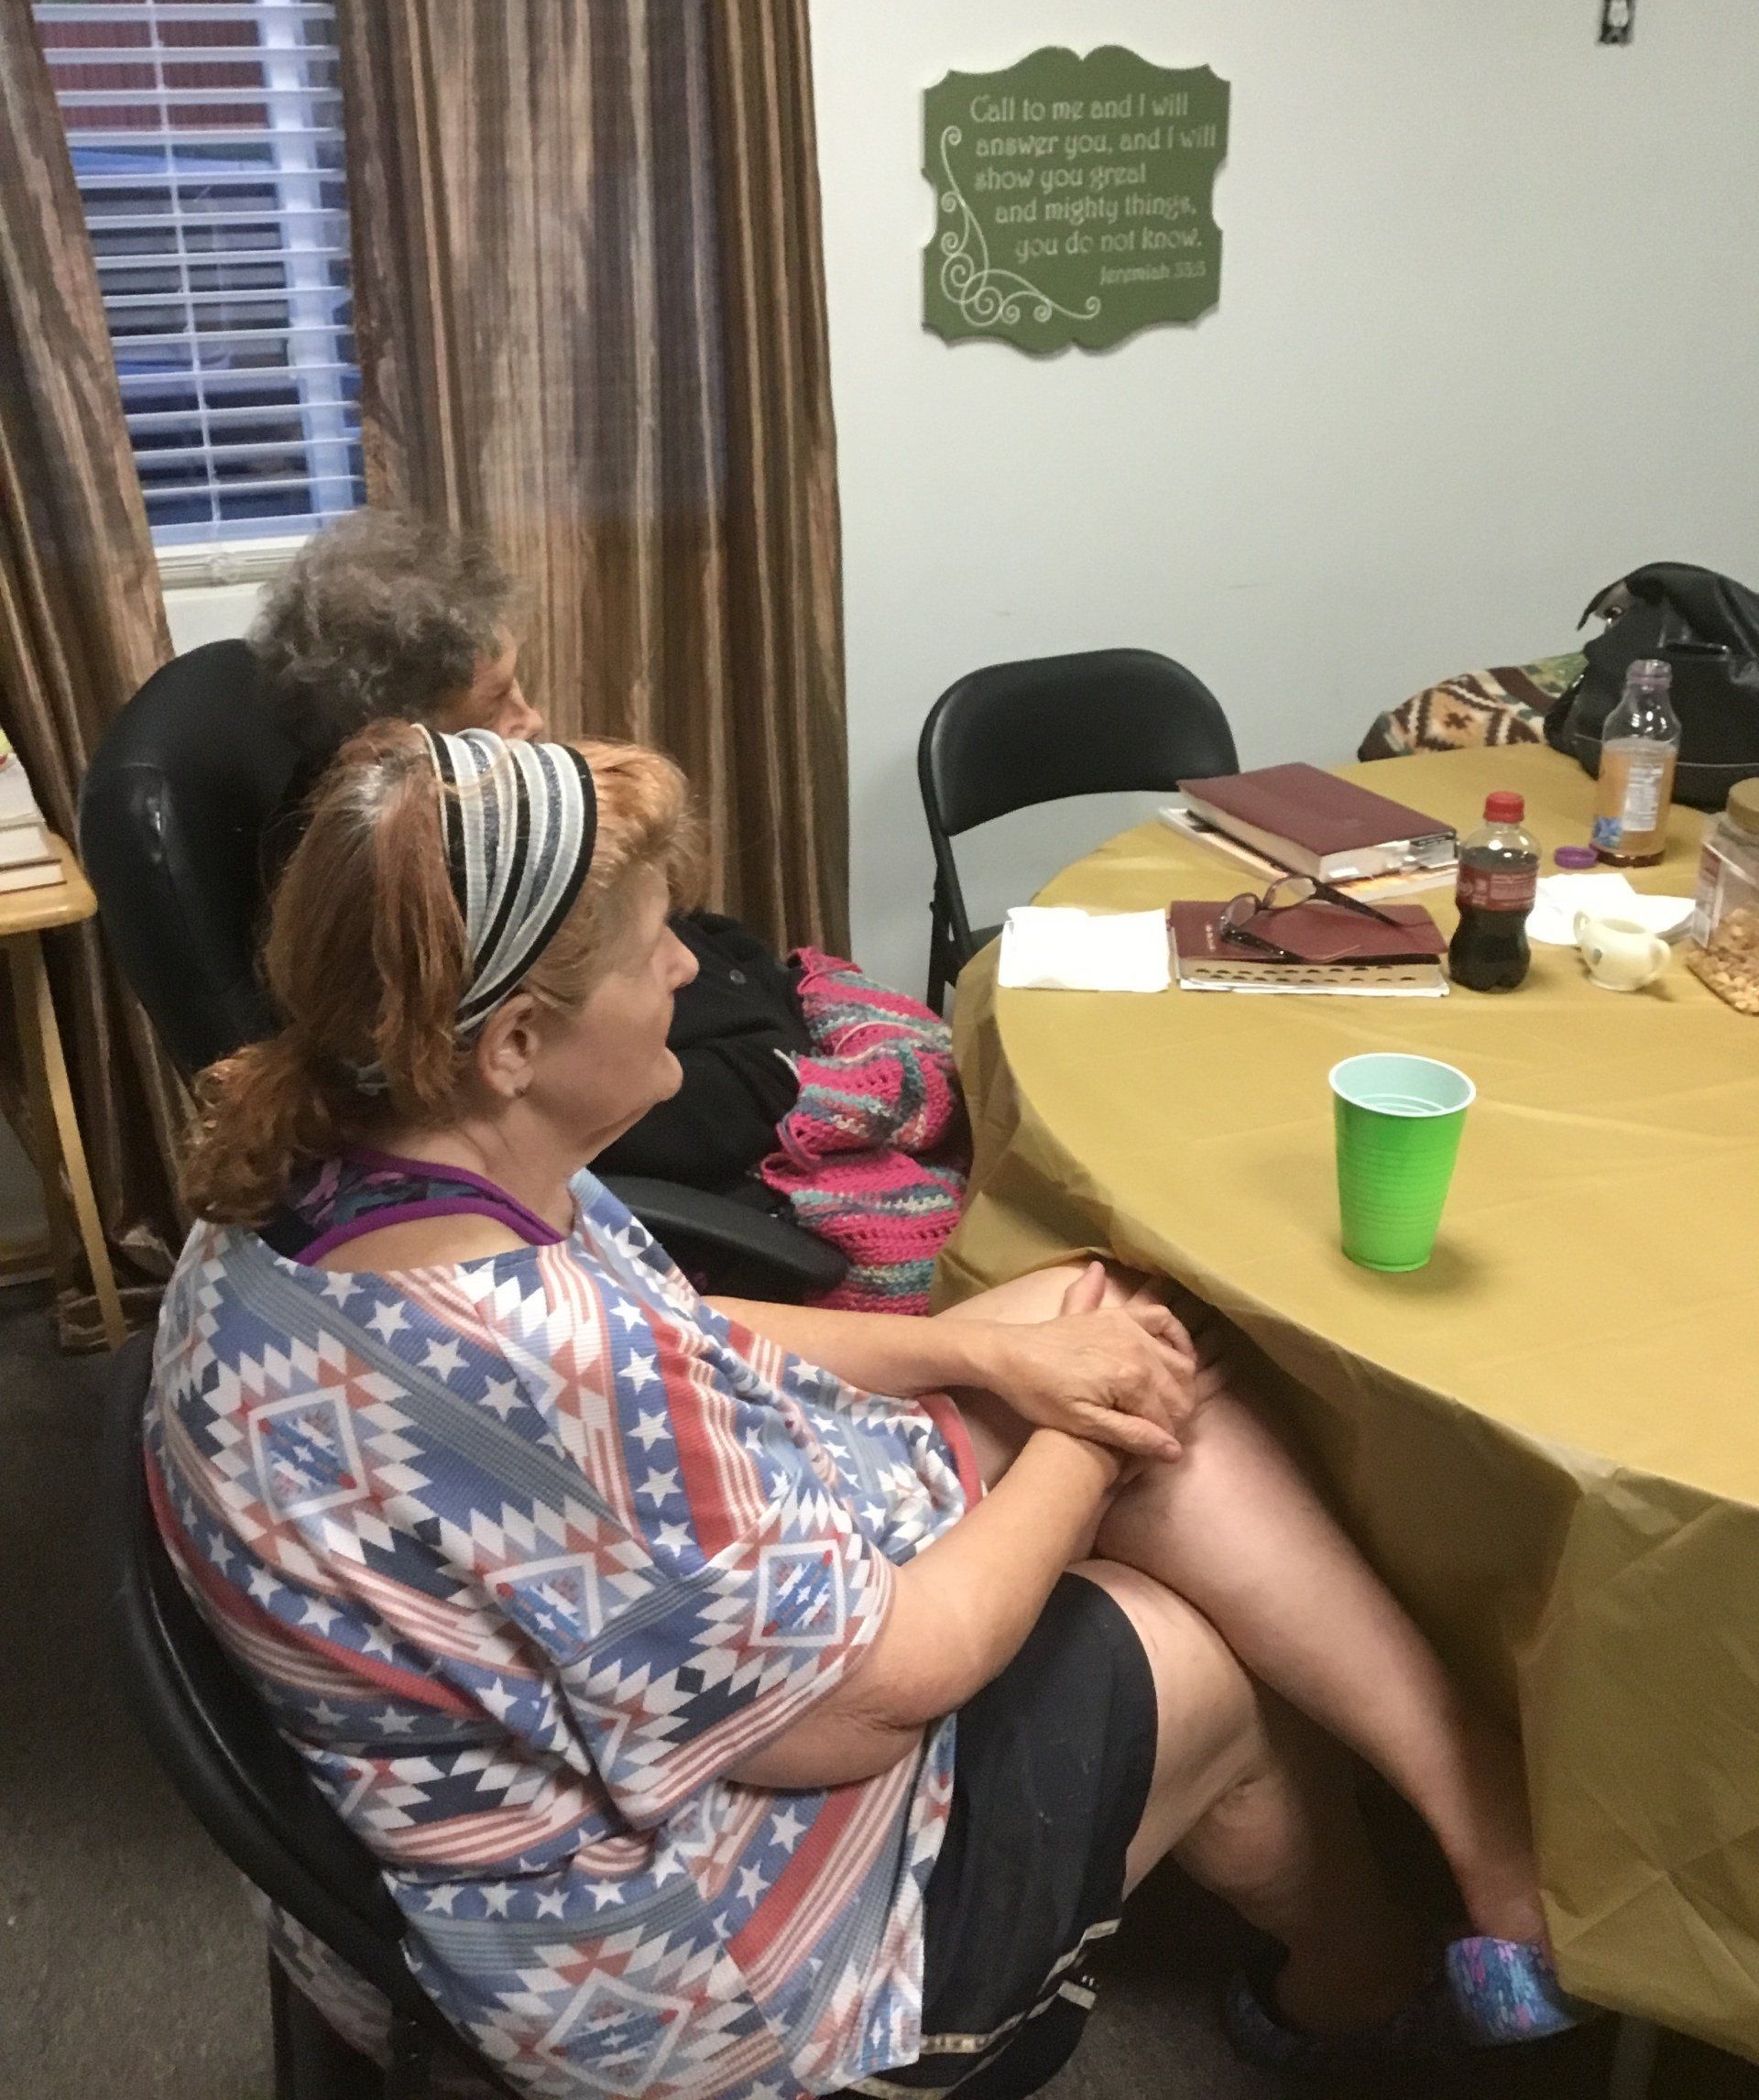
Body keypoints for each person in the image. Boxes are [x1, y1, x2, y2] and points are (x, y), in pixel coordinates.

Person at [148, 723, 1581, 2097]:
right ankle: (1370, 1973)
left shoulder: (326, 1177)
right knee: (1188, 1602)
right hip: (691, 1982)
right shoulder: (550, 1363)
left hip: (595, 1689)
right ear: (516, 1039)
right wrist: (1082, 1438)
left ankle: (1471, 1823)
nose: (683, 969)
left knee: (1081, 1321)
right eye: (655, 945)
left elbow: (677, 1331)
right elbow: (863, 1706)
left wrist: (976, 1354)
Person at [247, 510, 866, 1228]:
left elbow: (685, 943)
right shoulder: (408, 901)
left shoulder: (489, 829)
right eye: (496, 703)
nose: (532, 718)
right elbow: (588, 1103)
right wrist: (783, 1066)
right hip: (716, 1133)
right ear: (400, 741)